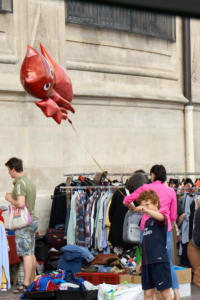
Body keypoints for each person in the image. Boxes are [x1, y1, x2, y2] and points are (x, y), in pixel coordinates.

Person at [123, 164, 180, 300]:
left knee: (148, 257)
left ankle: (155, 295)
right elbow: (173, 216)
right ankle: (176, 293)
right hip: (165, 228)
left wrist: (133, 206)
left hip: (148, 227)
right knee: (167, 262)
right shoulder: (170, 191)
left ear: (152, 175)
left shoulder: (145, 188)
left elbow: (126, 200)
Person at [5, 157, 38, 293]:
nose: (8, 173)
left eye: (9, 170)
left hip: (23, 222)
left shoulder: (19, 183)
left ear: (13, 169)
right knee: (30, 252)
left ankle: (25, 283)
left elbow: (20, 203)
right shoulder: (29, 181)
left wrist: (9, 198)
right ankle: (31, 281)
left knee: (26, 253)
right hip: (33, 219)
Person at [135, 190, 172, 300]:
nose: (144, 208)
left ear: (156, 203)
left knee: (165, 293)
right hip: (147, 264)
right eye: (142, 205)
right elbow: (146, 245)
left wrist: (145, 209)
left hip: (159, 262)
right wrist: (141, 262)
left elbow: (161, 217)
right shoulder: (146, 223)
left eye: (147, 204)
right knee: (148, 293)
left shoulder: (162, 218)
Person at [108, 171, 148, 254]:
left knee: (118, 261)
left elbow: (111, 213)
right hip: (133, 234)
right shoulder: (142, 196)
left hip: (117, 233)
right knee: (132, 261)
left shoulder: (119, 193)